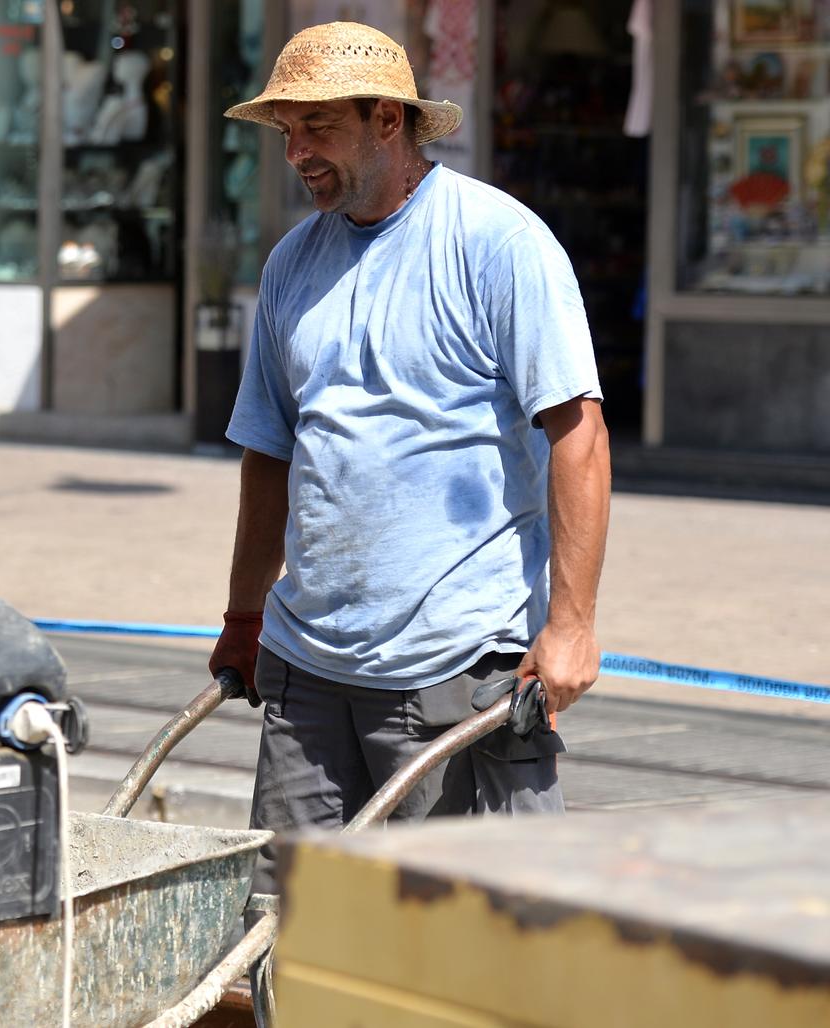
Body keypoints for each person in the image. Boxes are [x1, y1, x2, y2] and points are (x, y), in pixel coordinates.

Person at [208, 23, 610, 883]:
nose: (296, 154)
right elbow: (270, 455)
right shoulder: (291, 265)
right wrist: (245, 616)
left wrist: (570, 625)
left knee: (449, 941)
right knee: (291, 931)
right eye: (287, 133)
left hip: (448, 668)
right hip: (305, 672)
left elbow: (578, 435)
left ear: (387, 120)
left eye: (316, 128)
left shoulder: (497, 244)